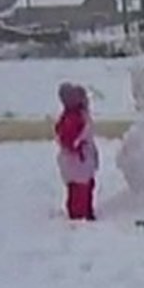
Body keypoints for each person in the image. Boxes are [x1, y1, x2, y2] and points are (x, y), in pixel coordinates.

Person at [54, 82, 99, 220]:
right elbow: (68, 140)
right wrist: (78, 146)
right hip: (77, 162)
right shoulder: (73, 118)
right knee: (80, 189)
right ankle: (79, 215)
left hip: (82, 160)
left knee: (86, 186)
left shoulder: (80, 115)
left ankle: (86, 211)